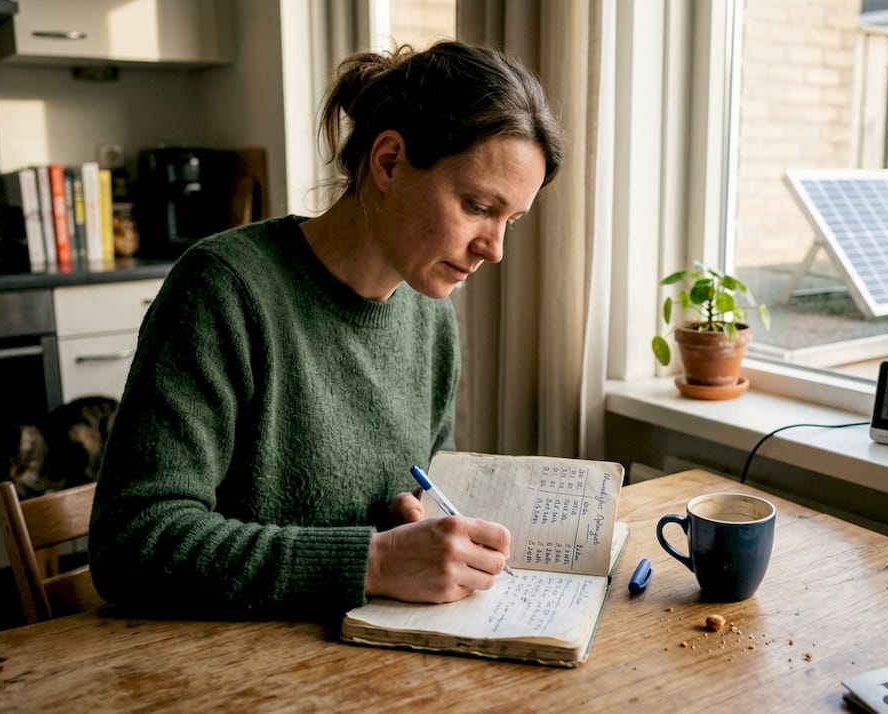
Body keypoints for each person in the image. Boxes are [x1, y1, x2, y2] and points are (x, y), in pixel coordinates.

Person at [88, 40, 564, 620]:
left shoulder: (431, 314)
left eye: (510, 220)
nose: (494, 249)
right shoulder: (224, 290)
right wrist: (376, 563)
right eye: (476, 206)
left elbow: (418, 496)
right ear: (388, 162)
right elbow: (132, 543)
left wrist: (423, 525)